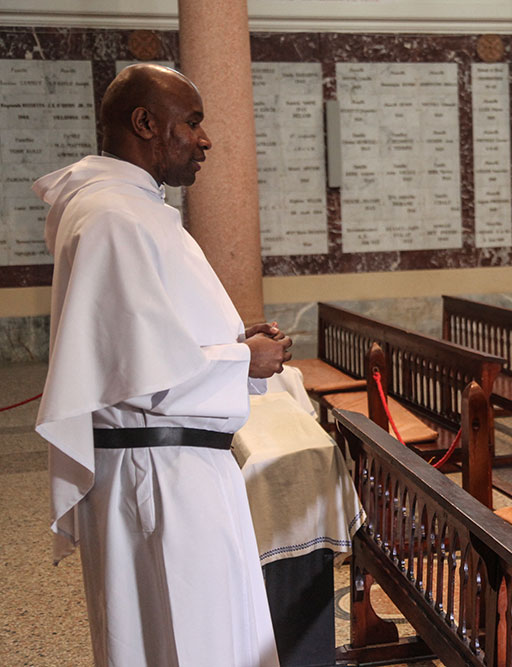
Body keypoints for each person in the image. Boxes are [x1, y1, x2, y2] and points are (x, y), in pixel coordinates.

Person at [33, 64, 291, 666]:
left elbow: (142, 339)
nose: (204, 140)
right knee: (189, 640)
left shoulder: (132, 208)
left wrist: (230, 340)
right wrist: (244, 360)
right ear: (146, 123)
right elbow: (144, 375)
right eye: (193, 122)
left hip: (174, 465)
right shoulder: (113, 217)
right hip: (160, 477)